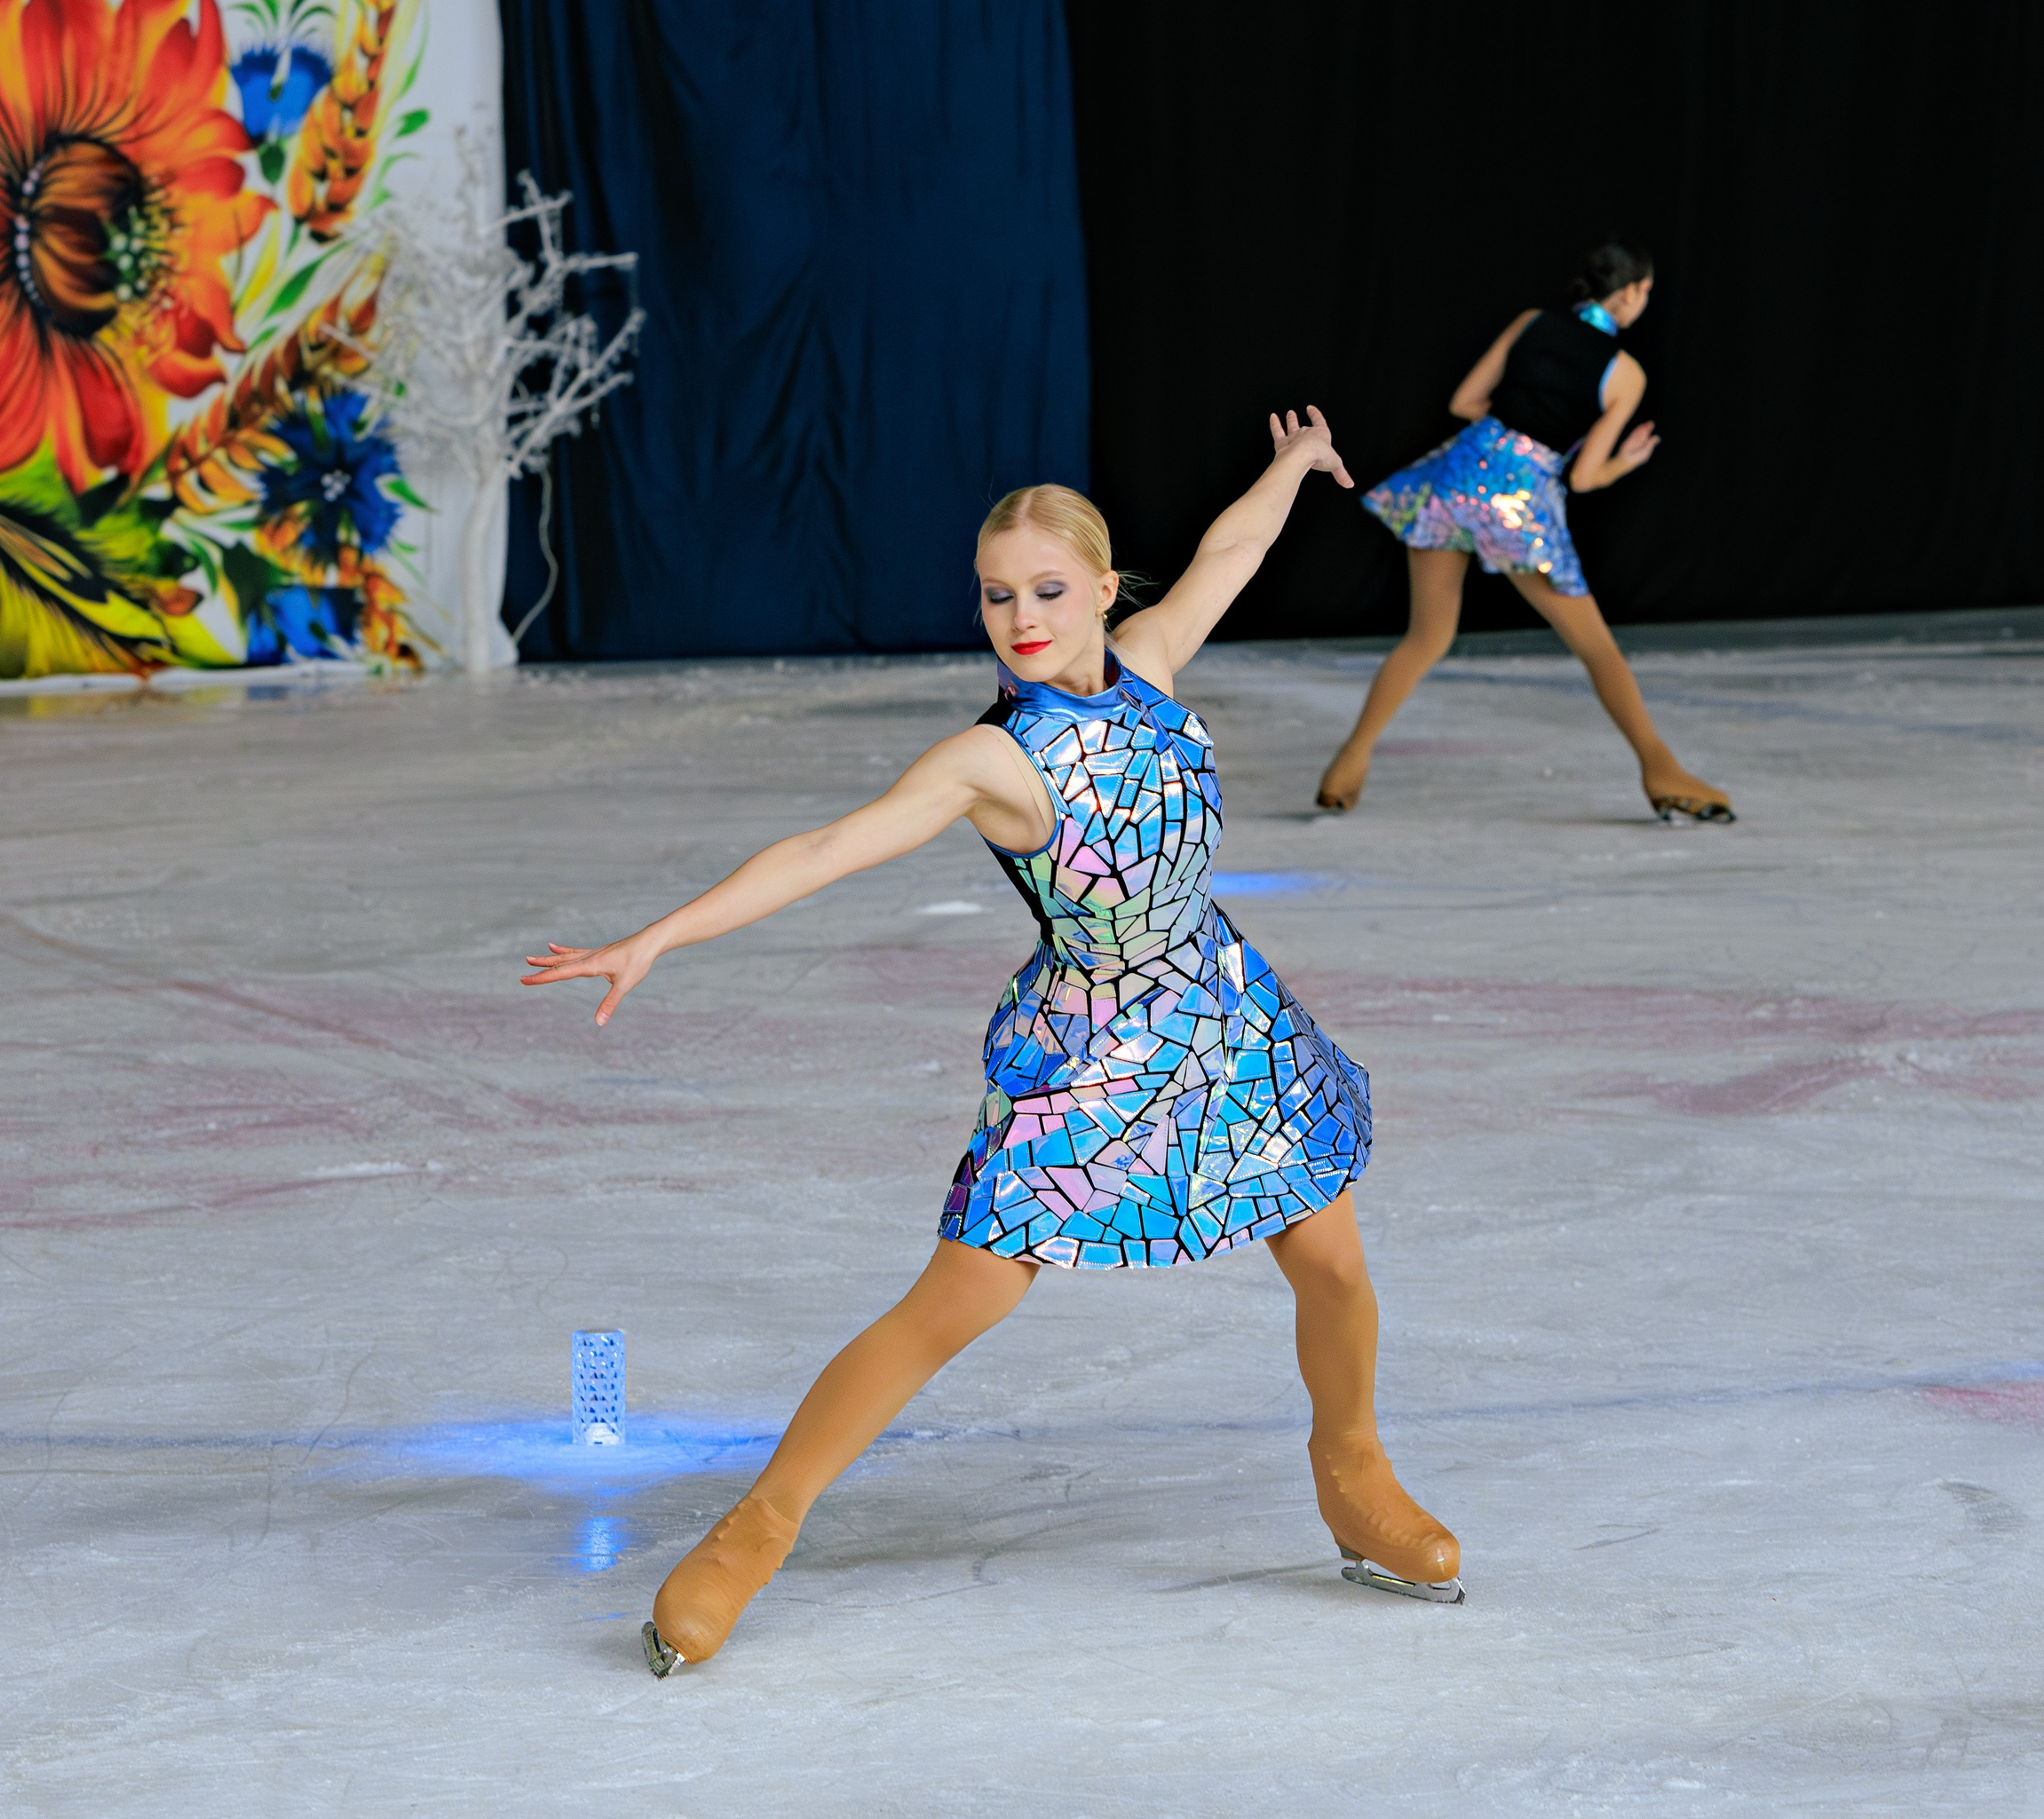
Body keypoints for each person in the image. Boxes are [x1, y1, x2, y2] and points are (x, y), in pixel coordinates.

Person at [523, 410, 1465, 1678]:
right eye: (995, 596)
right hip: (1090, 1047)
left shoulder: (1149, 662)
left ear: (1101, 587)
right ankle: (756, 1529)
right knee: (957, 1299)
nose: (1020, 616)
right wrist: (658, 937)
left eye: (1046, 590)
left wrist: (1292, 466)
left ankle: (1352, 1470)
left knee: (1335, 1262)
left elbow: (1231, 554)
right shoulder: (995, 758)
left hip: (1229, 1019)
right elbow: (826, 847)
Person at [1315, 236, 1735, 821]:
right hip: (1520, 503)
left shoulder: (1533, 322)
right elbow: (1585, 478)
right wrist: (1626, 461)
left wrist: (1507, 434)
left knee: (1426, 637)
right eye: (1647, 292)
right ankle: (1661, 770)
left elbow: (1465, 402)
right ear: (1634, 293)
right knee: (1599, 651)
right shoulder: (1625, 375)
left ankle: (1348, 763)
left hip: (1455, 475)